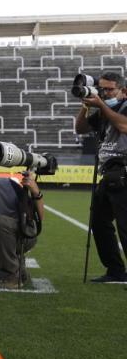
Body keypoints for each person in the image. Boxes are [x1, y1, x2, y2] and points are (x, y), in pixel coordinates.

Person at [75, 73, 127, 283]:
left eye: (109, 90)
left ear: (124, 91)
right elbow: (80, 128)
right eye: (102, 89)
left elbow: (124, 126)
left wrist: (101, 105)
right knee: (98, 220)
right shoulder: (104, 111)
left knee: (125, 227)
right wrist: (86, 105)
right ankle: (115, 270)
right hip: (108, 174)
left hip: (124, 173)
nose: (104, 94)